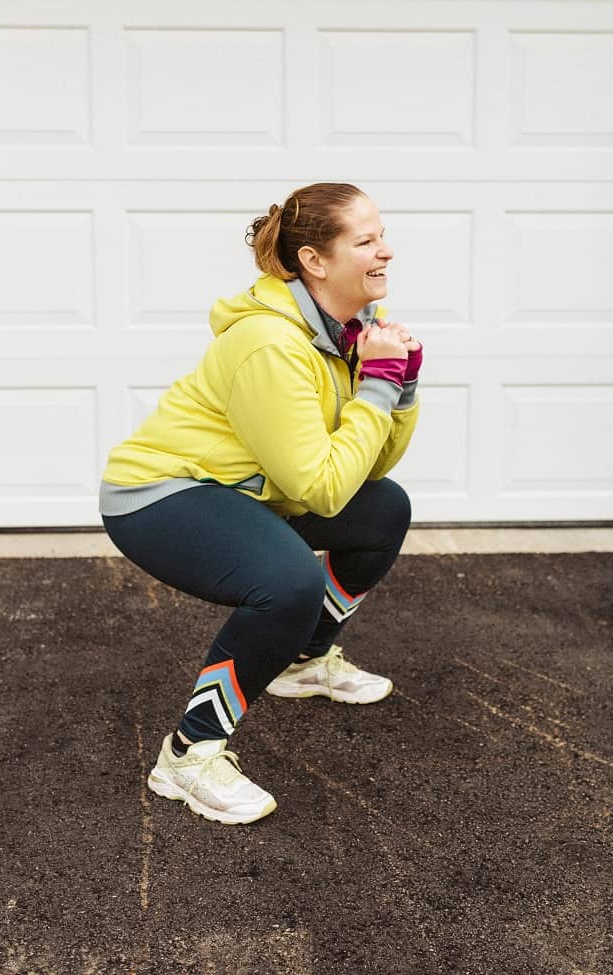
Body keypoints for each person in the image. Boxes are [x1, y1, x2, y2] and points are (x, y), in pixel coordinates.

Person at [100, 182, 422, 825]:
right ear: (316, 262)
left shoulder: (346, 333)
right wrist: (380, 388)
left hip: (245, 488)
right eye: (366, 240)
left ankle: (304, 661)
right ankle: (187, 755)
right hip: (159, 493)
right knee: (286, 581)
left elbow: (367, 470)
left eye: (382, 234)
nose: (387, 250)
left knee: (384, 509)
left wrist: (401, 387)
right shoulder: (271, 344)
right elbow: (320, 487)